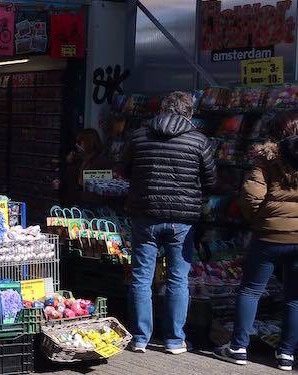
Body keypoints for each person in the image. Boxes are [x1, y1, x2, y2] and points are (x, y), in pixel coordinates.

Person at [122, 91, 216, 354]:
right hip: (182, 219)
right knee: (178, 278)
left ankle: (140, 337)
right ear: (189, 113)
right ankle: (174, 340)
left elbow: (124, 170)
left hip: (145, 214)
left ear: (161, 109)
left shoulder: (139, 136)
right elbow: (210, 180)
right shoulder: (199, 140)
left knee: (142, 277)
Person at [214, 111, 298, 371]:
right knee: (294, 298)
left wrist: (262, 220)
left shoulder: (265, 159)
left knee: (250, 290)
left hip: (268, 237)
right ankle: (286, 355)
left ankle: (238, 347)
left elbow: (251, 196)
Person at [63, 128, 113, 202]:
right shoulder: (79, 159)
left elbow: (104, 188)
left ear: (88, 143)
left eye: (80, 142)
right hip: (76, 202)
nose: (76, 145)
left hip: (92, 203)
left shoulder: (101, 161)